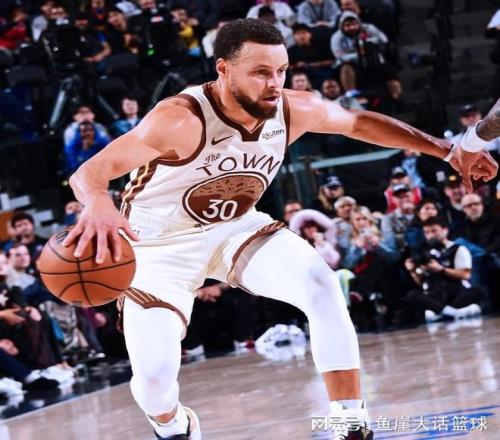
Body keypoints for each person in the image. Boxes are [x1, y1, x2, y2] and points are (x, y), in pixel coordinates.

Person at [63, 18, 497, 440]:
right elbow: (89, 173)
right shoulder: (180, 118)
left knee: (321, 284)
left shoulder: (291, 108)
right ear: (223, 69)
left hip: (235, 227)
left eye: (281, 71)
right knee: (155, 381)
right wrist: (99, 202)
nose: (274, 83)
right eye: (261, 72)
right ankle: (173, 427)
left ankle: (349, 422)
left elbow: (359, 123)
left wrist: (446, 150)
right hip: (159, 243)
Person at [405, 216, 482, 322]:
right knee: (412, 295)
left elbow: (466, 275)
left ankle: (442, 312)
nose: (430, 235)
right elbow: (421, 282)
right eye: (427, 232)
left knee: (477, 291)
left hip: (456, 291)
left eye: (434, 231)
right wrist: (412, 270)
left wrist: (441, 269)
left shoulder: (458, 249)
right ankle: (454, 313)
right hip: (435, 294)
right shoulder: (424, 253)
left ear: (445, 230)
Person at [330, 11, 402, 100]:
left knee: (389, 73)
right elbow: (339, 56)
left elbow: (383, 39)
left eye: (354, 24)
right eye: (348, 25)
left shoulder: (368, 28)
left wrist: (368, 43)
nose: (352, 27)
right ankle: (351, 96)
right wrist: (359, 54)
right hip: (353, 65)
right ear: (342, 26)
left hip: (374, 59)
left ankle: (396, 98)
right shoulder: (336, 37)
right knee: (345, 68)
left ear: (359, 23)